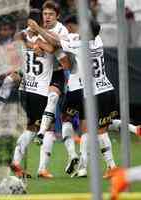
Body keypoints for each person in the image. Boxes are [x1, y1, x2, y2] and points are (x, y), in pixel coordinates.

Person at [28, 15, 118, 178]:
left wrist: (38, 31)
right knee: (101, 131)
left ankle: (83, 161)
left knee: (71, 121)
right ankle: (110, 166)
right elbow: (61, 38)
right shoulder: (97, 41)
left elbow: (56, 44)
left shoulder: (79, 45)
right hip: (107, 89)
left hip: (91, 92)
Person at [10, 5, 70, 178]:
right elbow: (64, 61)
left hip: (28, 86)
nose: (47, 17)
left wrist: (31, 42)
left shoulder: (30, 34)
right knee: (38, 127)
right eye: (44, 14)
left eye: (50, 14)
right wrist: (39, 44)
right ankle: (20, 163)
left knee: (37, 126)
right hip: (40, 88)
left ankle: (37, 167)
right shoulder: (40, 37)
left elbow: (18, 38)